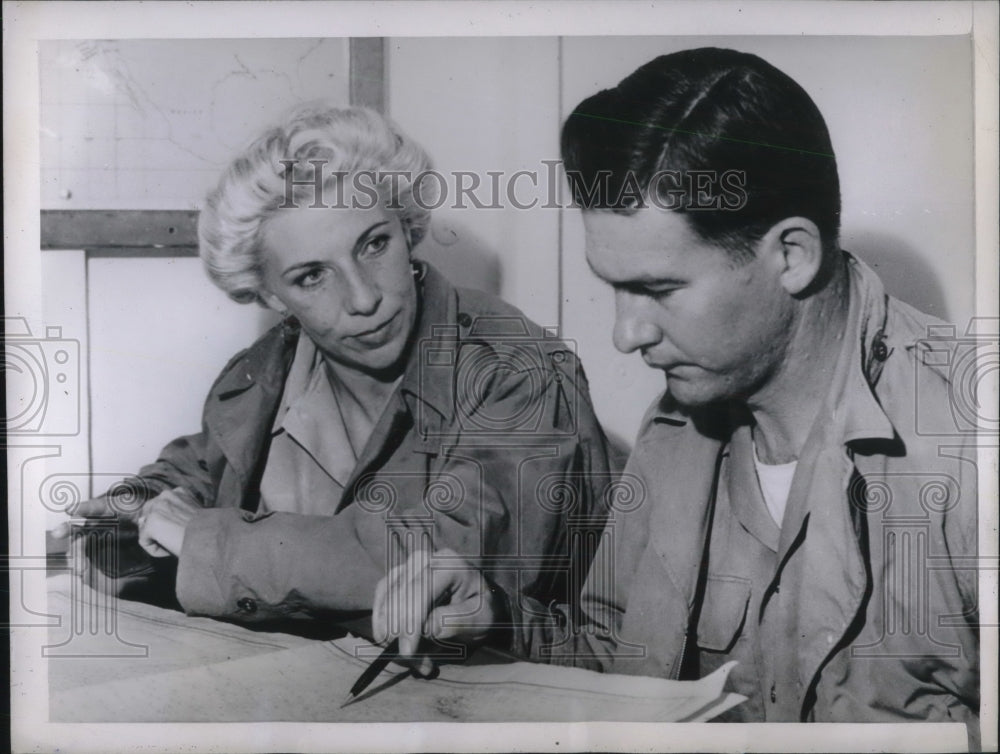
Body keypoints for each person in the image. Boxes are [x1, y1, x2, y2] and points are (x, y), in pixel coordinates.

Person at [373, 47, 981, 736]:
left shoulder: (972, 440)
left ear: (791, 255)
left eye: (658, 291)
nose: (626, 335)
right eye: (616, 289)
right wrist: (495, 619)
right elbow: (617, 665)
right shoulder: (677, 424)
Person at [59, 104, 617, 631]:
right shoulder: (259, 376)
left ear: (407, 226)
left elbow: (435, 564)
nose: (364, 298)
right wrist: (134, 510)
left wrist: (204, 539)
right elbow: (200, 471)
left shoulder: (519, 370)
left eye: (374, 245)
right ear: (271, 295)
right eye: (311, 277)